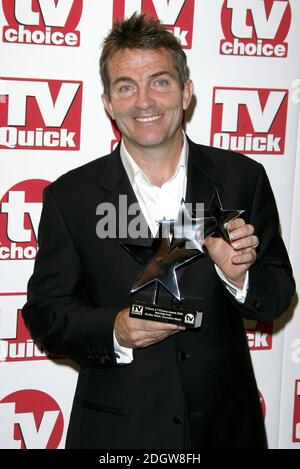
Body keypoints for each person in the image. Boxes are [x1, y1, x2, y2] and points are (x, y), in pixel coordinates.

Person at [22, 14, 295, 449]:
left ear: (186, 92)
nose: (144, 100)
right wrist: (114, 329)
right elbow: (45, 314)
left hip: (225, 429)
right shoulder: (70, 197)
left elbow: (279, 294)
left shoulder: (241, 177)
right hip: (118, 434)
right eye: (126, 86)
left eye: (161, 82)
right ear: (108, 103)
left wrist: (240, 276)